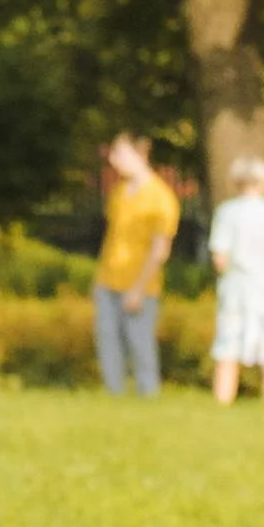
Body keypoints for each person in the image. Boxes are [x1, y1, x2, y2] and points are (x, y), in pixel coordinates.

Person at [90, 134, 181, 396]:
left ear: (140, 155)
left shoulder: (160, 197)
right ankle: (113, 393)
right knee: (108, 341)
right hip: (109, 279)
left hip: (140, 283)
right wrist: (99, 279)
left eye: (120, 154)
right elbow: (111, 238)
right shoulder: (119, 193)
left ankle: (147, 394)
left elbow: (159, 249)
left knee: (140, 345)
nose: (113, 161)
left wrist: (139, 288)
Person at [206, 157, 264, 407]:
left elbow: (220, 258)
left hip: (237, 289)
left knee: (228, 347)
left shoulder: (227, 212)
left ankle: (223, 399)